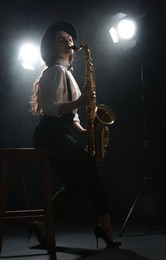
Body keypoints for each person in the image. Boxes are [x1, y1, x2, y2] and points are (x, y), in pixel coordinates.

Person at [30, 21, 121, 248]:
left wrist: (86, 130)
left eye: (69, 38)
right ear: (52, 48)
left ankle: (42, 224)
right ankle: (105, 227)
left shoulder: (69, 75)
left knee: (79, 178)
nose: (68, 41)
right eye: (61, 39)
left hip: (59, 132)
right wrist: (80, 102)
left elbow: (73, 117)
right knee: (90, 169)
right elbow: (50, 109)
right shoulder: (55, 71)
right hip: (48, 133)